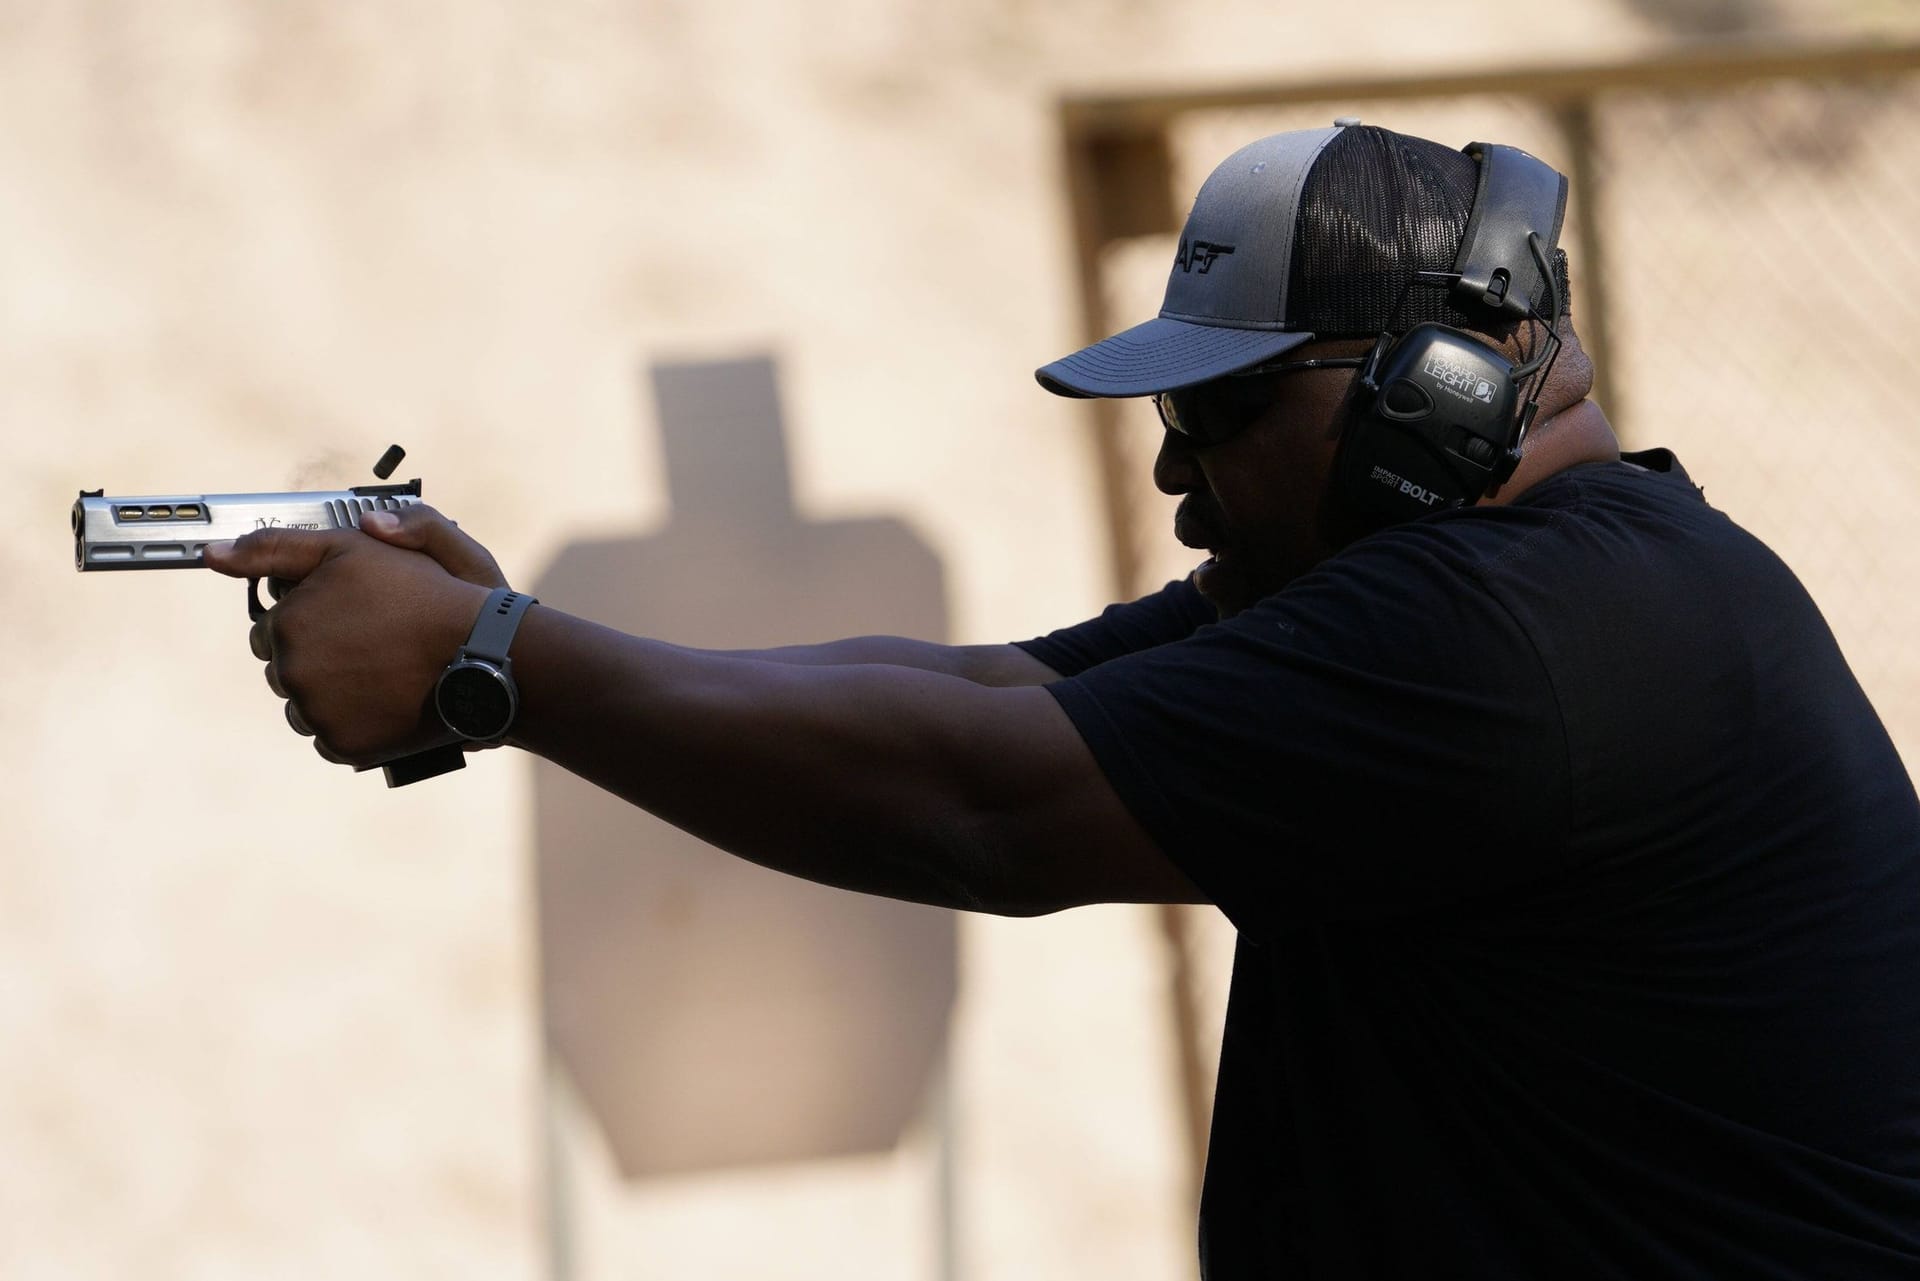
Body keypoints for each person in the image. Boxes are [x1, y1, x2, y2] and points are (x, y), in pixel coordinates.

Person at [204, 123, 1920, 1278]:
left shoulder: (1524, 634)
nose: (1176, 471)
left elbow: (988, 799)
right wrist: (507, 629)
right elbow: (1000, 686)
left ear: (1438, 385)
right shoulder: (1498, 588)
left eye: (1225, 412)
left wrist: (498, 664)